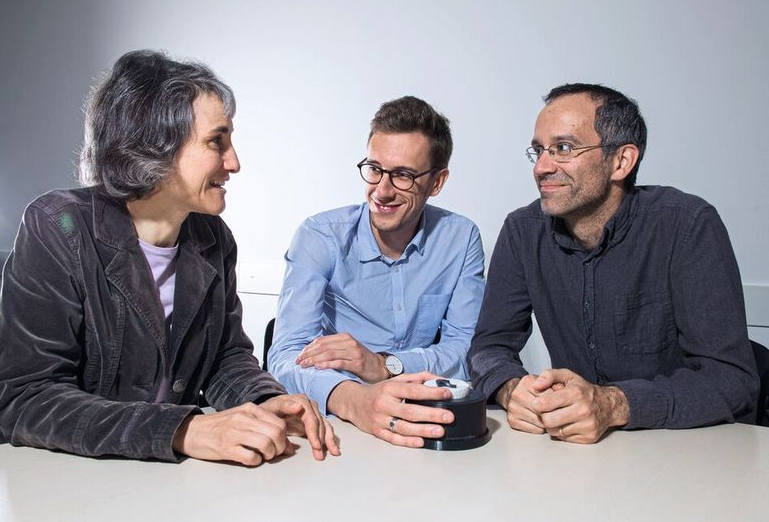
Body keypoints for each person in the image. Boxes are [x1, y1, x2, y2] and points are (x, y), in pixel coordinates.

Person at [0, 50, 339, 465]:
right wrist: (182, 430)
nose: (234, 162)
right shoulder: (58, 227)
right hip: (57, 475)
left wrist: (264, 399)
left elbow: (224, 357)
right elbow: (29, 400)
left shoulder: (213, 238)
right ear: (154, 147)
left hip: (162, 481)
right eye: (216, 141)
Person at [469, 83, 759, 444]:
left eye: (563, 148)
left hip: (690, 445)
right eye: (539, 150)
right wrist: (511, 387)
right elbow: (488, 348)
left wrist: (614, 404)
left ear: (621, 161)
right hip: (582, 453)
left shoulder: (687, 225)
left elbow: (732, 379)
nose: (541, 167)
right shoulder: (522, 231)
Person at [269, 96, 485, 447]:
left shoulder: (460, 239)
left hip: (423, 415)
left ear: (437, 182)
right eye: (374, 169)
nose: (381, 191)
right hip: (340, 421)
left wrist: (385, 365)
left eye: (402, 175)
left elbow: (467, 348)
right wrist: (352, 399)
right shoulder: (320, 236)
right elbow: (284, 356)